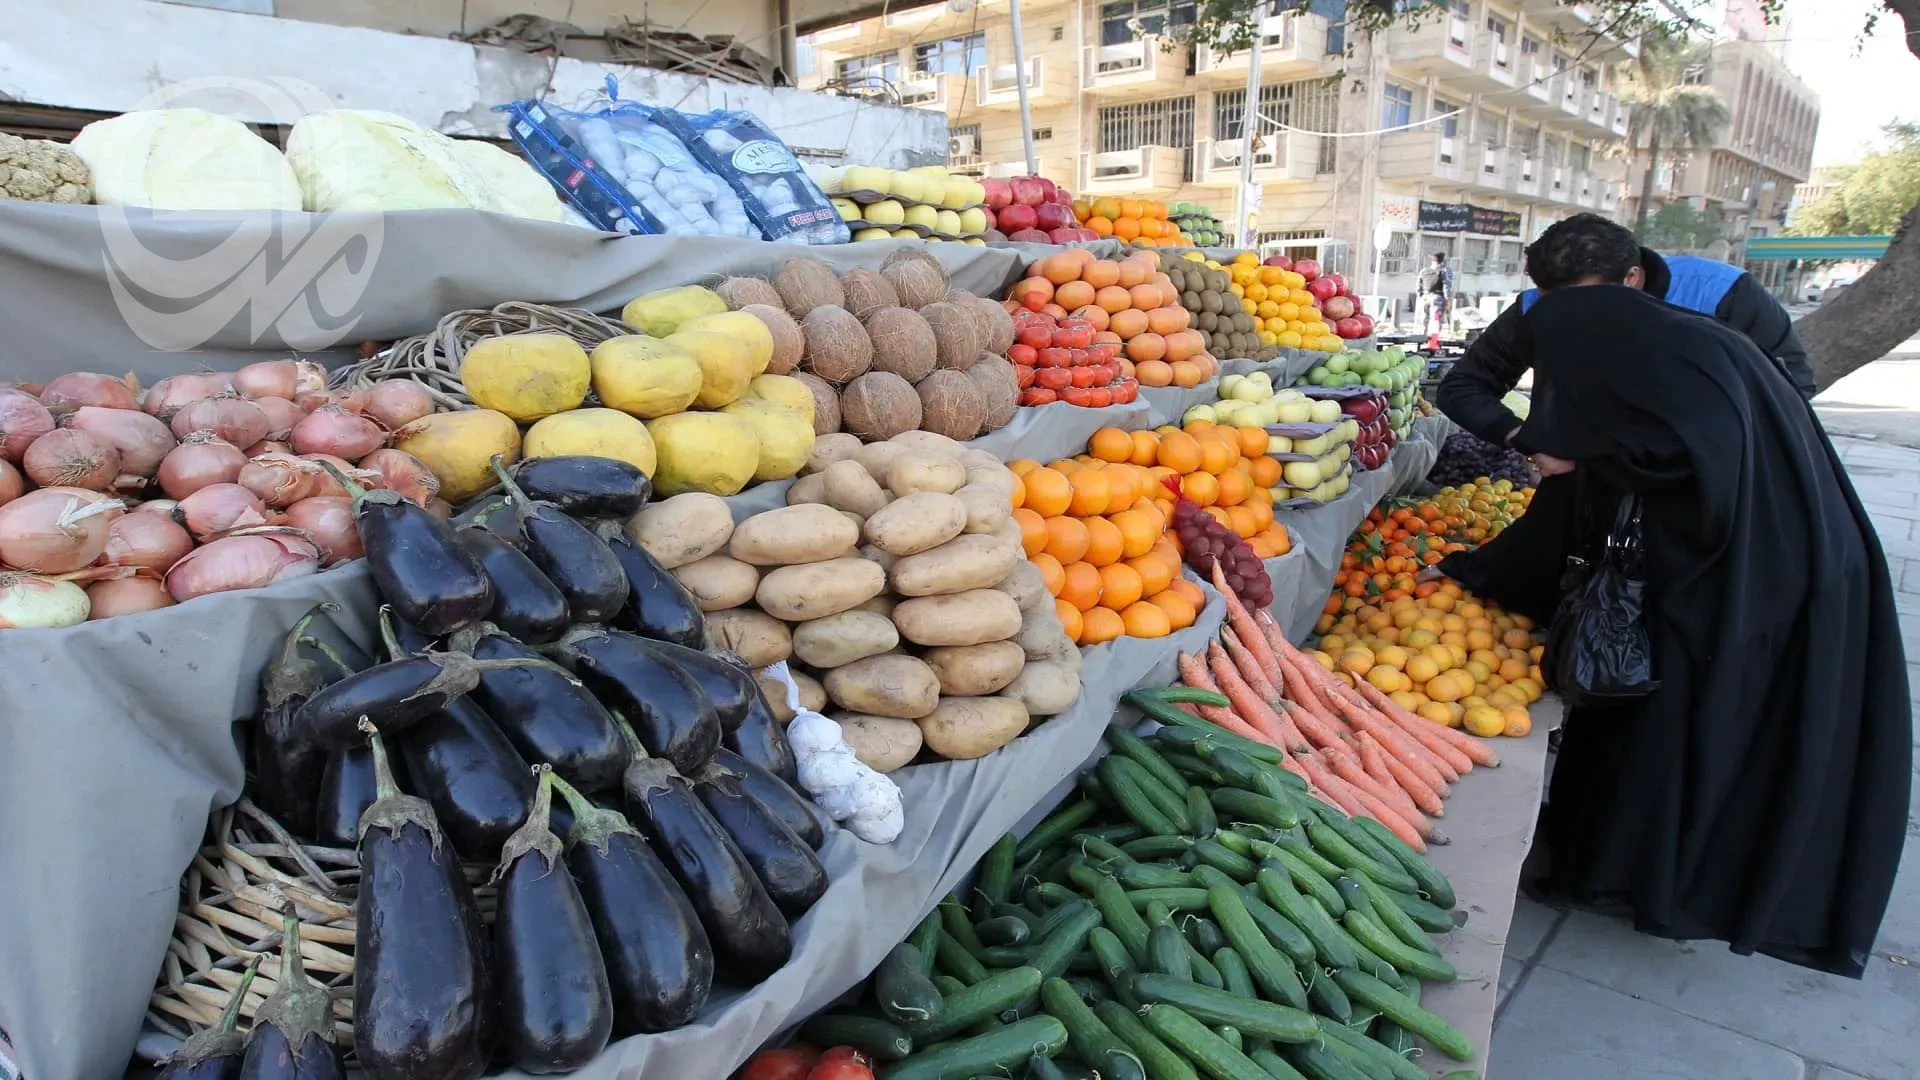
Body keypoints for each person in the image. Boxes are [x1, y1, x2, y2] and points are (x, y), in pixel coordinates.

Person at [1482, 215, 1909, 977]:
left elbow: (1616, 490)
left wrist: (1498, 556)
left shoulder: (1646, 348)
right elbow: (1600, 489)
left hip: (1765, 570)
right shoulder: (1667, 343)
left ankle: (1646, 883)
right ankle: (1615, 870)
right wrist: (1483, 565)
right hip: (1756, 556)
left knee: (1682, 714)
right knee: (1662, 710)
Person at [1434, 217, 1815, 622]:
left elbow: (1788, 394)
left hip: (1711, 505)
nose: (1561, 316)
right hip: (1593, 506)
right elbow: (1462, 388)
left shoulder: (1720, 295)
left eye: (1576, 302)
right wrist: (1525, 437)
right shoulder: (1537, 309)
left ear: (1632, 278)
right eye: (1550, 301)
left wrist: (1639, 453)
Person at [1414, 252, 1451, 347]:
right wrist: (1447, 299)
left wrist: (1420, 297)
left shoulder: (1424, 271)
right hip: (1437, 298)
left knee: (1423, 320)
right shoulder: (1443, 271)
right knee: (1435, 320)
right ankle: (1433, 343)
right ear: (1442, 261)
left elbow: (1418, 286)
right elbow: (1446, 285)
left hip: (1424, 297)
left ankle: (1421, 340)